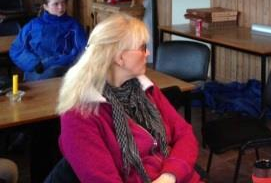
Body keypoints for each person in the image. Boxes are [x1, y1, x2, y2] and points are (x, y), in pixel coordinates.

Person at [56, 13, 201, 183]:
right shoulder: (80, 114)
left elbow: (185, 134)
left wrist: (169, 175)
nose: (147, 53)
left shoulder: (146, 89)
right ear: (119, 57)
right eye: (142, 47)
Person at [9, 0, 87, 81]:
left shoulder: (73, 25)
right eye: (56, 4)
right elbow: (17, 49)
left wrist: (67, 61)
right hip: (38, 70)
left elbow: (84, 50)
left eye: (63, 3)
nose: (61, 7)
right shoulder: (33, 25)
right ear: (46, 7)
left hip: (65, 69)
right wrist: (33, 63)